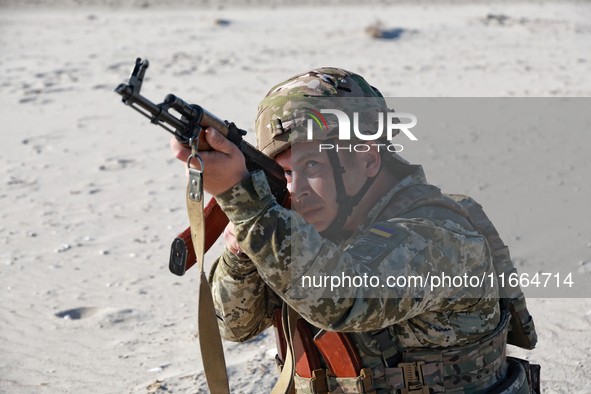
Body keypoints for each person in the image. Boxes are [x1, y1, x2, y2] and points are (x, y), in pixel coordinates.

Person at [170, 68, 538, 394]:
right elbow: (234, 326)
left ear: (367, 158)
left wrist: (248, 204)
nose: (295, 189)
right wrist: (240, 252)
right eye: (283, 173)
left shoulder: (438, 235)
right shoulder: (302, 225)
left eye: (311, 164)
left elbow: (345, 299)